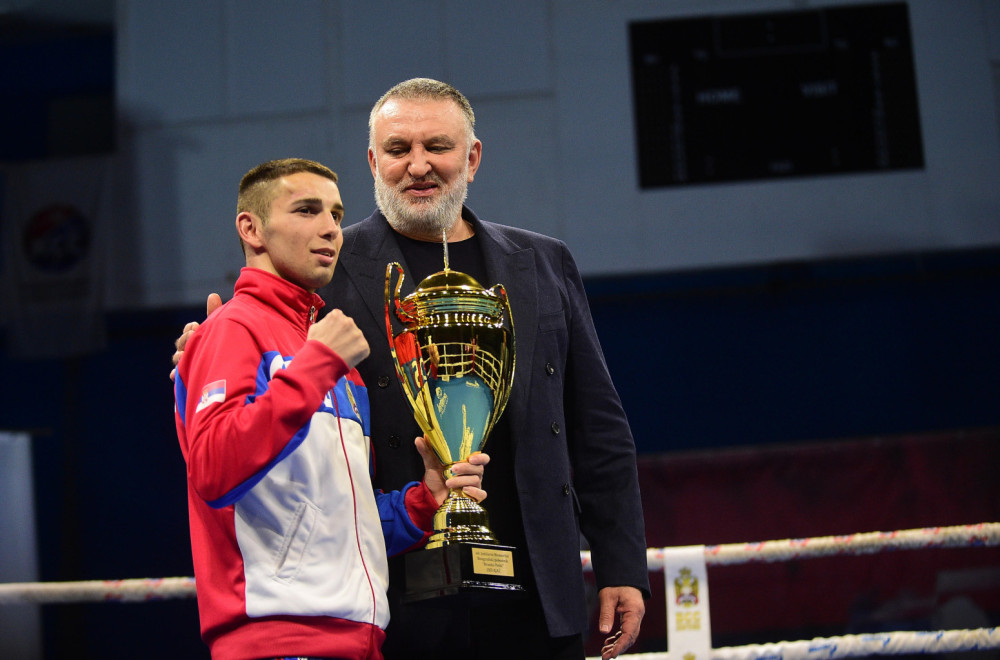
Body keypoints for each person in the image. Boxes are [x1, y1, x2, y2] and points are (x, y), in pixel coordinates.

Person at [175, 79, 649, 660]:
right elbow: (256, 353)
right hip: (396, 592)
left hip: (536, 587)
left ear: (472, 157)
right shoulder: (324, 261)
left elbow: (597, 426)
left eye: (438, 147)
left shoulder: (545, 262)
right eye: (398, 150)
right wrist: (202, 350)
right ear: (374, 162)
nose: (418, 166)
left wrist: (621, 563)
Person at [172, 157, 489, 660]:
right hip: (277, 642)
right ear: (251, 228)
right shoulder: (236, 330)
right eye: (306, 210)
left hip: (358, 640)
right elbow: (212, 468)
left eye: (337, 215)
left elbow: (334, 521)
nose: (329, 229)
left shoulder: (336, 358)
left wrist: (423, 501)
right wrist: (316, 364)